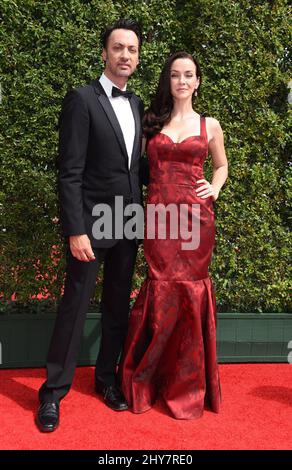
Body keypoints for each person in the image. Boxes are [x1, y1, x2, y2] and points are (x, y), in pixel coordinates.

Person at [37, 19, 144, 432]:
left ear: (137, 56)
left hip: (129, 221)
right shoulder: (81, 99)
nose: (125, 56)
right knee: (74, 306)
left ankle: (106, 381)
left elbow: (136, 168)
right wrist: (75, 229)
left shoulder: (136, 105)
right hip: (92, 224)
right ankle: (52, 393)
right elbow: (70, 171)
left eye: (132, 50)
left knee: (118, 307)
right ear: (104, 53)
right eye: (118, 48)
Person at [119, 51, 228, 419]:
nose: (182, 81)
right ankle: (149, 380)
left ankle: (188, 387)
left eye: (189, 75)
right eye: (176, 75)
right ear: (169, 80)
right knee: (161, 285)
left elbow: (222, 164)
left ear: (197, 82)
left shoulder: (210, 125)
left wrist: (214, 187)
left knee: (190, 288)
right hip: (159, 219)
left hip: (197, 221)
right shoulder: (151, 121)